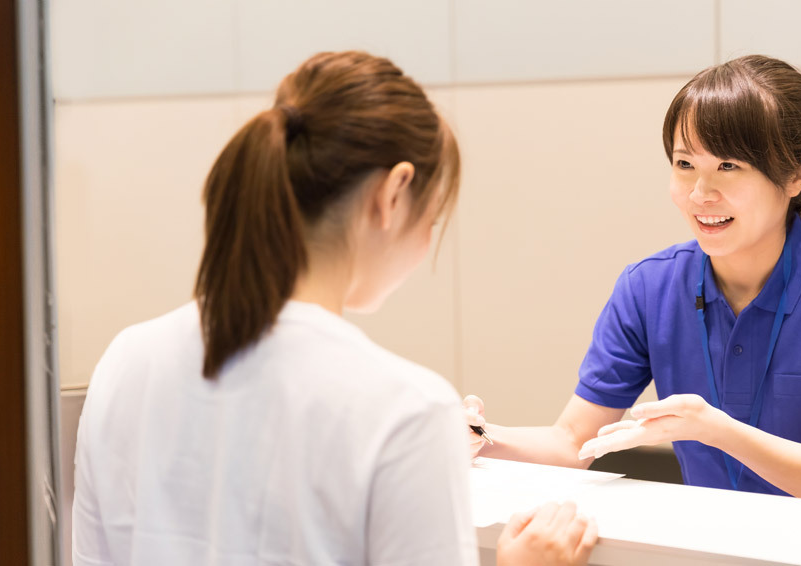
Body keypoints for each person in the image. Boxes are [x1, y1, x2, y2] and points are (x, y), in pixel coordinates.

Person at [72, 51, 597, 566]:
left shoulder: (126, 361)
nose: (425, 246)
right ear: (393, 194)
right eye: (432, 220)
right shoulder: (405, 410)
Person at [466, 55, 801, 506]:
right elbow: (571, 442)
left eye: (729, 166)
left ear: (797, 175)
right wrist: (477, 435)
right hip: (715, 541)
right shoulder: (647, 287)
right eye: (684, 164)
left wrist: (715, 431)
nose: (700, 193)